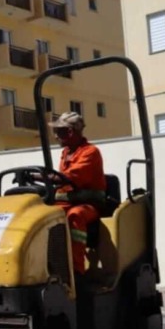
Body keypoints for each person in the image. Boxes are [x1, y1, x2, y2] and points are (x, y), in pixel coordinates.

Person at [49, 111, 106, 274]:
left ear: (70, 132)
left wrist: (46, 176)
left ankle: (77, 270)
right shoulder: (66, 152)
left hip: (89, 205)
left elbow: (72, 176)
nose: (55, 136)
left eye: (58, 131)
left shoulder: (90, 152)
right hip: (68, 201)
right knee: (44, 215)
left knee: (76, 215)